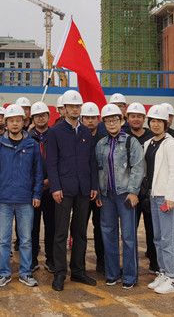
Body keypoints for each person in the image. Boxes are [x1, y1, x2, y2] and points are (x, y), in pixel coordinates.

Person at [45, 89, 99, 291]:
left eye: (78, 106)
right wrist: (55, 187)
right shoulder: (55, 131)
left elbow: (92, 161)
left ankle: (78, 271)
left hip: (83, 189)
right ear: (64, 109)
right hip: (63, 190)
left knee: (80, 232)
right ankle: (60, 273)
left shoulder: (85, 131)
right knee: (60, 233)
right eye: (71, 106)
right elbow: (51, 162)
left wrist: (93, 185)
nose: (75, 109)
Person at [0, 104, 43, 287]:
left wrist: (37, 194)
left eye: (18, 120)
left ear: (23, 122)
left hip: (25, 199)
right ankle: (4, 273)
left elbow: (38, 172)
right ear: (6, 122)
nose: (14, 124)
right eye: (11, 120)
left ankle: (25, 273)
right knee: (3, 240)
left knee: (26, 240)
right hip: (3, 200)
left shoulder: (32, 145)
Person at [95, 104, 143, 289]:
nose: (111, 123)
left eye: (115, 119)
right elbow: (98, 169)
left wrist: (133, 192)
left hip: (125, 195)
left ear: (121, 120)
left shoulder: (131, 142)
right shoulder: (101, 144)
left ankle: (130, 276)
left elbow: (138, 168)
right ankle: (112, 273)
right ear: (104, 123)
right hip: (107, 196)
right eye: (108, 120)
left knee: (129, 236)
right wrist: (99, 192)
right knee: (108, 234)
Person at [143, 104, 174, 295]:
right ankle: (163, 272)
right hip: (154, 194)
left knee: (169, 238)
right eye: (153, 121)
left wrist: (171, 197)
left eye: (160, 121)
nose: (156, 124)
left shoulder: (171, 143)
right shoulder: (148, 143)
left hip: (167, 197)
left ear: (166, 123)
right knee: (158, 238)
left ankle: (172, 278)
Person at [127, 102, 158, 275]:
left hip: (149, 190)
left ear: (144, 118)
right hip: (130, 190)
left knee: (152, 228)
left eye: (139, 116)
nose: (136, 119)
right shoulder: (124, 137)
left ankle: (154, 262)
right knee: (129, 230)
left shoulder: (153, 137)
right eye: (133, 116)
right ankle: (131, 264)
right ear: (128, 118)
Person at [28, 101, 55, 273]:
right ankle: (32, 259)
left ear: (48, 117)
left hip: (52, 189)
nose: (40, 119)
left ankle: (51, 259)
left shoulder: (55, 136)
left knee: (52, 226)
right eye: (37, 116)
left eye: (43, 115)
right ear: (33, 118)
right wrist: (36, 183)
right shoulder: (26, 137)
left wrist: (51, 180)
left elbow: (61, 161)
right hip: (32, 190)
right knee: (32, 227)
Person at [81, 101, 107, 273]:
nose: (90, 121)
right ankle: (79, 264)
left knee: (100, 228)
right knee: (79, 229)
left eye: (93, 118)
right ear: (82, 119)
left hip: (100, 192)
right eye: (87, 118)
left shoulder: (104, 139)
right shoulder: (77, 138)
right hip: (82, 191)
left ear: (98, 119)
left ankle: (102, 262)